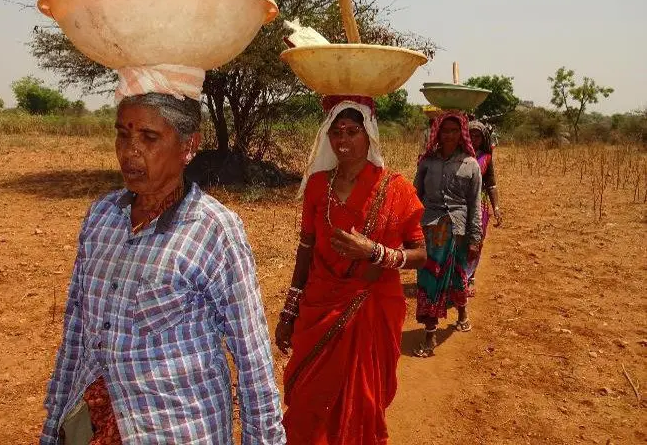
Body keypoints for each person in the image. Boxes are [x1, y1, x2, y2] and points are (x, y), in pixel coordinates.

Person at [40, 69, 285, 445]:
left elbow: (252, 360)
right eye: (123, 134)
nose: (130, 151)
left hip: (175, 430)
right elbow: (75, 335)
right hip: (95, 428)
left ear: (189, 146)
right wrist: (53, 426)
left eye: (149, 137)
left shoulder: (213, 230)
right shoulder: (102, 217)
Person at [275, 95, 427, 444]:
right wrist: (289, 310)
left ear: (369, 135)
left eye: (352, 131)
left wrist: (374, 252)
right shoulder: (317, 185)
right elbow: (305, 250)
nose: (343, 140)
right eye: (336, 132)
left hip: (371, 308)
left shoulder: (396, 188)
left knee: (363, 399)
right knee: (308, 397)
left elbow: (420, 254)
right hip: (319, 305)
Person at [412, 111, 482, 357]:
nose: (449, 135)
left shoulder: (471, 165)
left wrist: (475, 238)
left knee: (456, 275)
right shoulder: (427, 163)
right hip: (430, 229)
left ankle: (462, 311)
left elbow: (475, 205)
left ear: (461, 134)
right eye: (445, 130)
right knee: (429, 279)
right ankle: (430, 333)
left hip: (458, 230)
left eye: (454, 130)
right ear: (437, 133)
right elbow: (414, 198)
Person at [465, 121, 503, 294]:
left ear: (484, 137)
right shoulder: (459, 154)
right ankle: (457, 277)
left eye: (477, 135)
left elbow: (492, 185)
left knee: (476, 241)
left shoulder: (486, 158)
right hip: (459, 204)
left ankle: (469, 276)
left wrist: (496, 208)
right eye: (470, 135)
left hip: (479, 205)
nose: (474, 139)